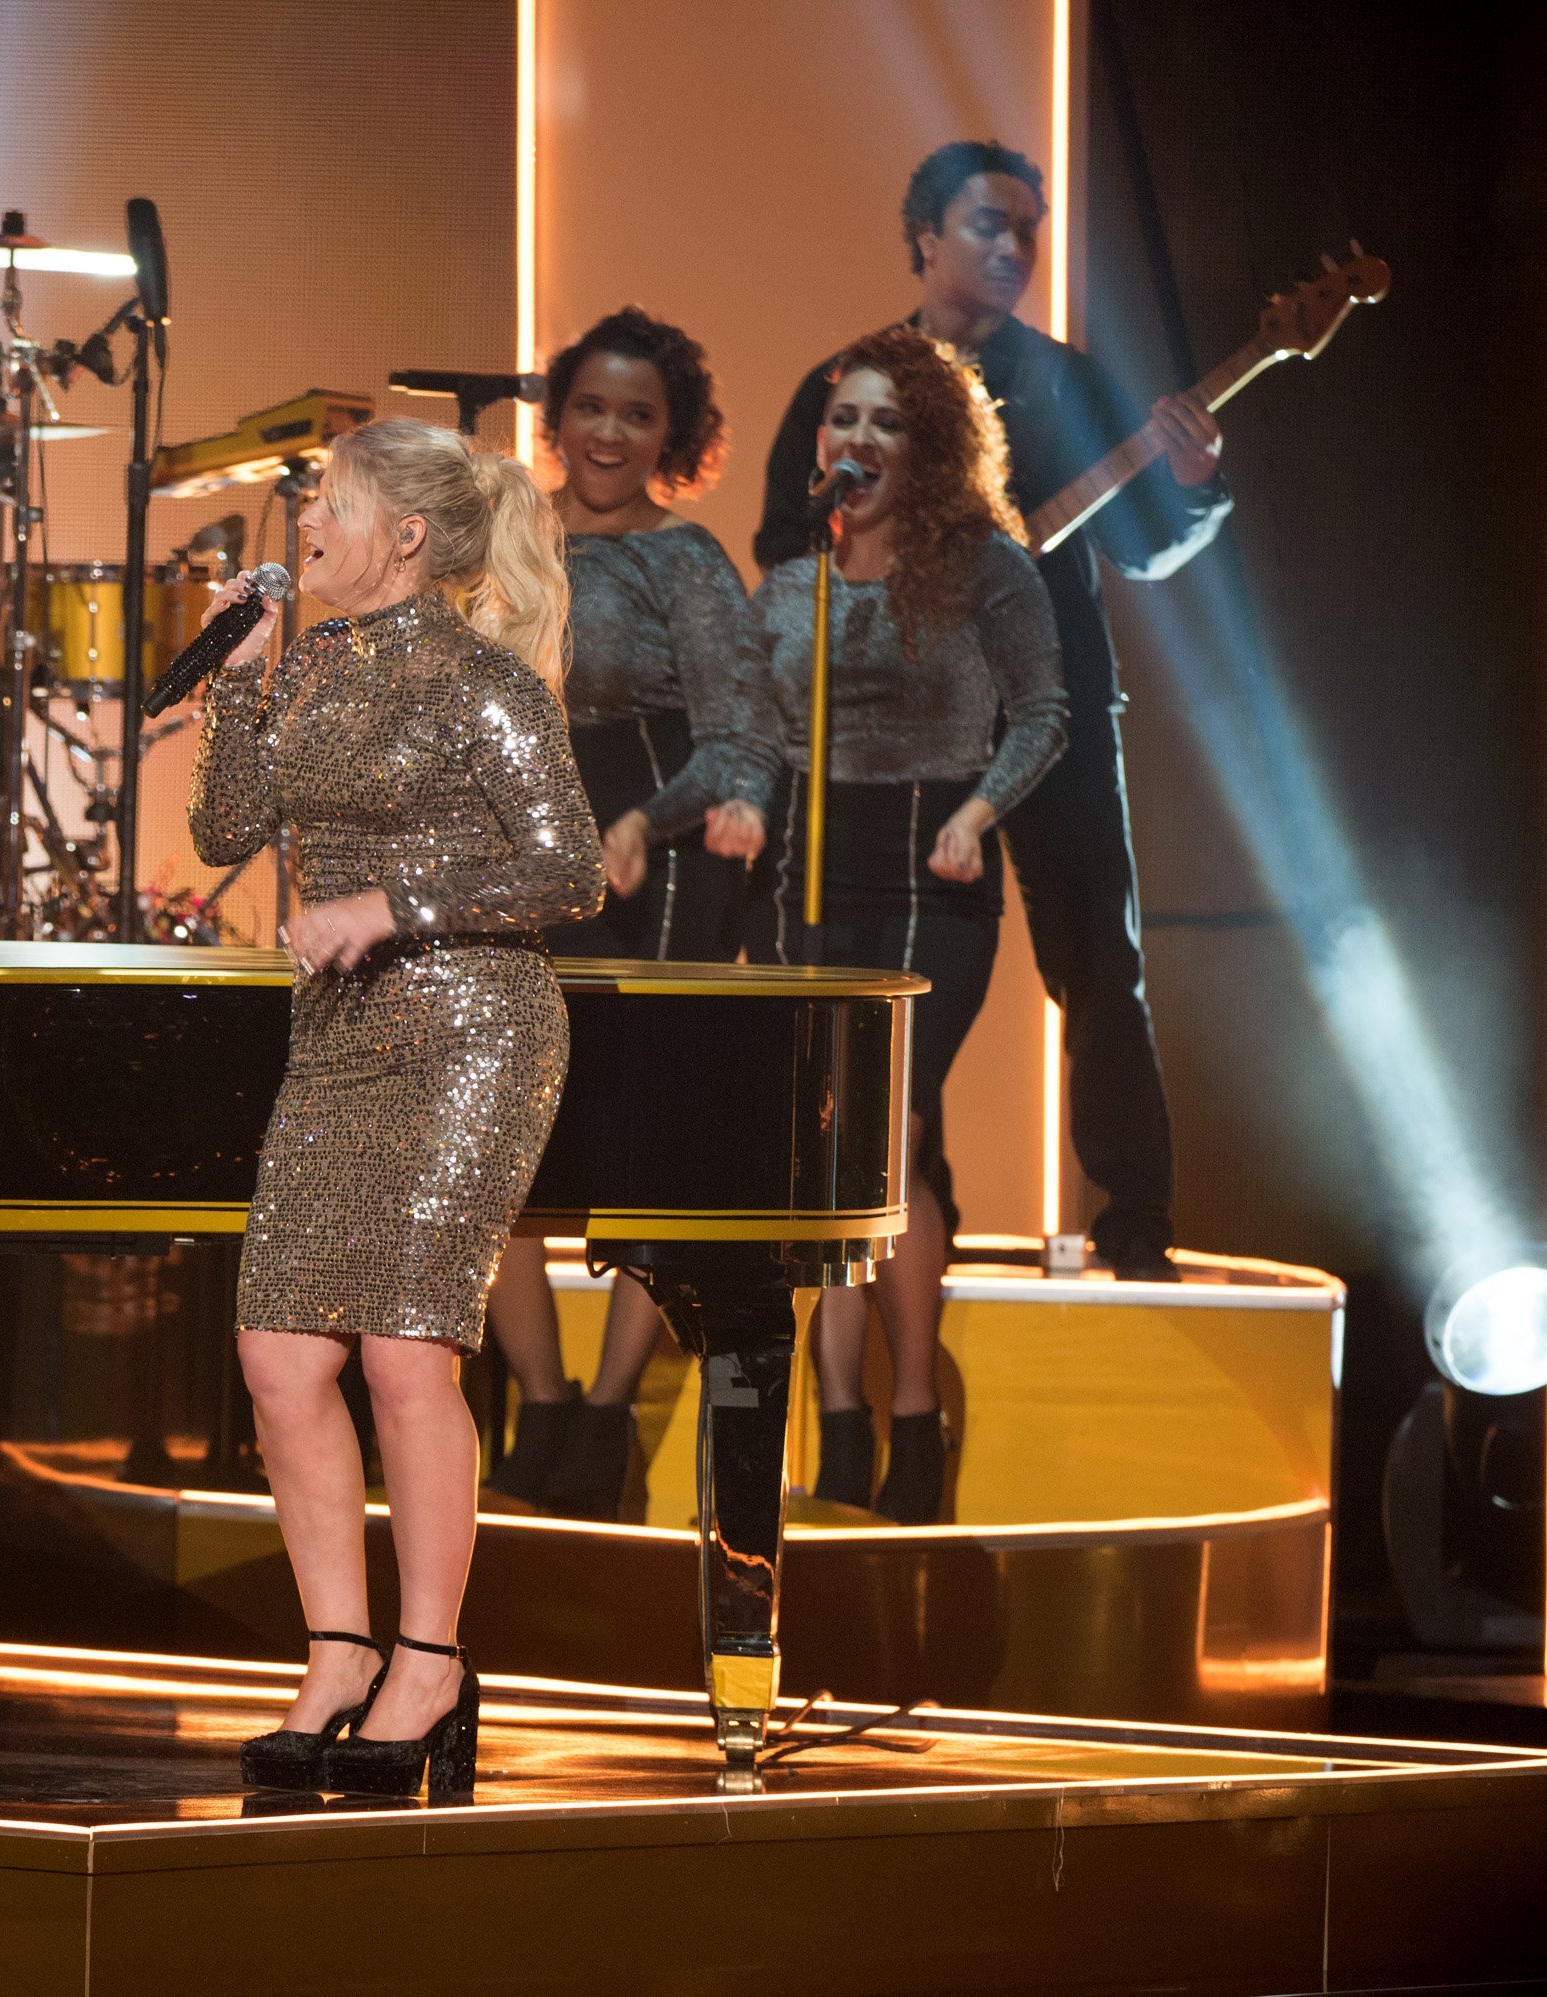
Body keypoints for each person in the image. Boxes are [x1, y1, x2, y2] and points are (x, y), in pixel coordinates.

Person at [191, 420, 601, 1798]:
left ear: (406, 536)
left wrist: (393, 903)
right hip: (342, 1036)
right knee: (278, 1355)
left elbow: (569, 868)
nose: (303, 522)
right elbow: (222, 831)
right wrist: (234, 688)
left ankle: (430, 1658)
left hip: (473, 1029)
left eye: (329, 502)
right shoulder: (303, 662)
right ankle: (339, 1650)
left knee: (403, 1358)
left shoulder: (485, 683)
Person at [754, 141, 1228, 1281]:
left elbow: (1151, 543)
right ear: (925, 235)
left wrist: (1196, 481)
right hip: (892, 731)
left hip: (1048, 710)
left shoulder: (1071, 384)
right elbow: (780, 550)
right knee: (899, 967)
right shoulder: (849, 389)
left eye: (1029, 228)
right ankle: (921, 1220)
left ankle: (1135, 1222)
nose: (1013, 247)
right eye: (987, 224)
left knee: (1096, 964)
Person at [744, 326, 1066, 1524]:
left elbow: (1046, 712)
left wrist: (980, 812)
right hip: (814, 877)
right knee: (826, 1151)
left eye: (886, 421)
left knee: (899, 1123)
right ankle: (839, 1422)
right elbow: (763, 744)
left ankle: (914, 1412)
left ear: (929, 447)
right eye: (844, 420)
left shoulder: (988, 568)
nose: (858, 439)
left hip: (937, 877)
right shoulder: (794, 585)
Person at [486, 306, 773, 1522]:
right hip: (517, 852)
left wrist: (643, 826)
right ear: (559, 416)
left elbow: (744, 739)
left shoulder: (685, 560)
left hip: (650, 870)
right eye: (592, 407)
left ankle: (604, 1424)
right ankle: (541, 1406)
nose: (610, 432)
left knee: (641, 1161)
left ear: (675, 434)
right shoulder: (501, 535)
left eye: (638, 414)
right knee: (498, 1155)